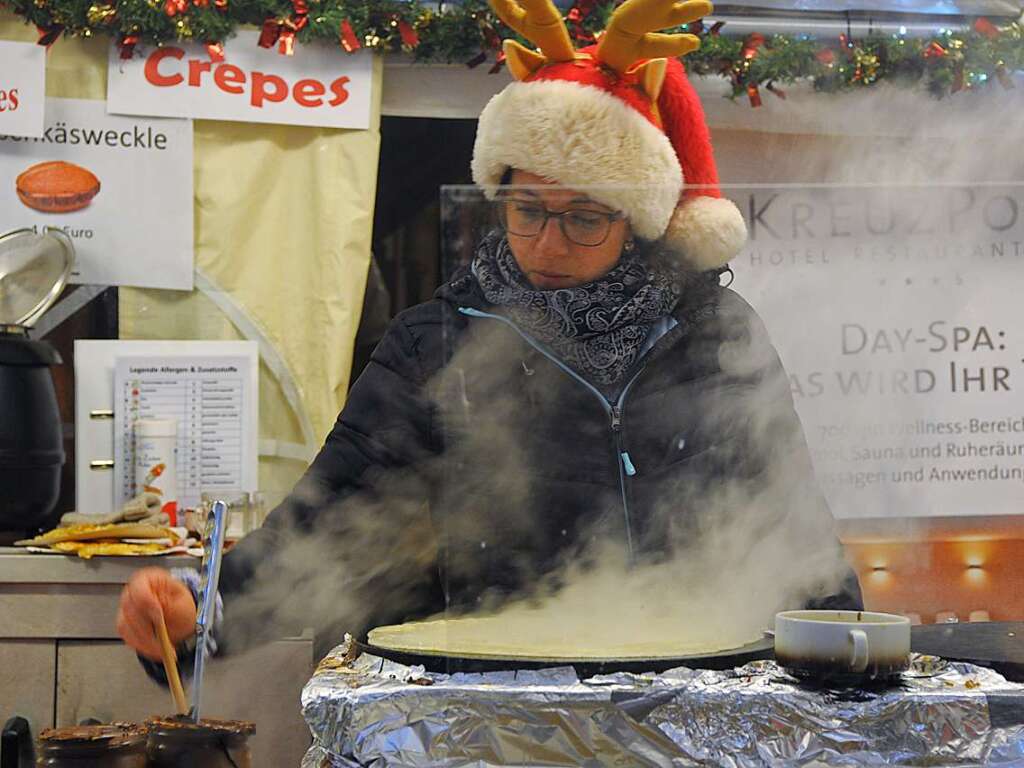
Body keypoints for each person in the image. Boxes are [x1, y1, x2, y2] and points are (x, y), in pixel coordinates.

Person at [117, 0, 862, 668]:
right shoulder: (435, 345)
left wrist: (844, 658)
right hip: (488, 708)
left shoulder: (714, 336)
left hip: (695, 696)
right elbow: (328, 518)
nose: (547, 243)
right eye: (528, 208)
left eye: (585, 217)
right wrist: (197, 616)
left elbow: (788, 518)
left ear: (636, 224)